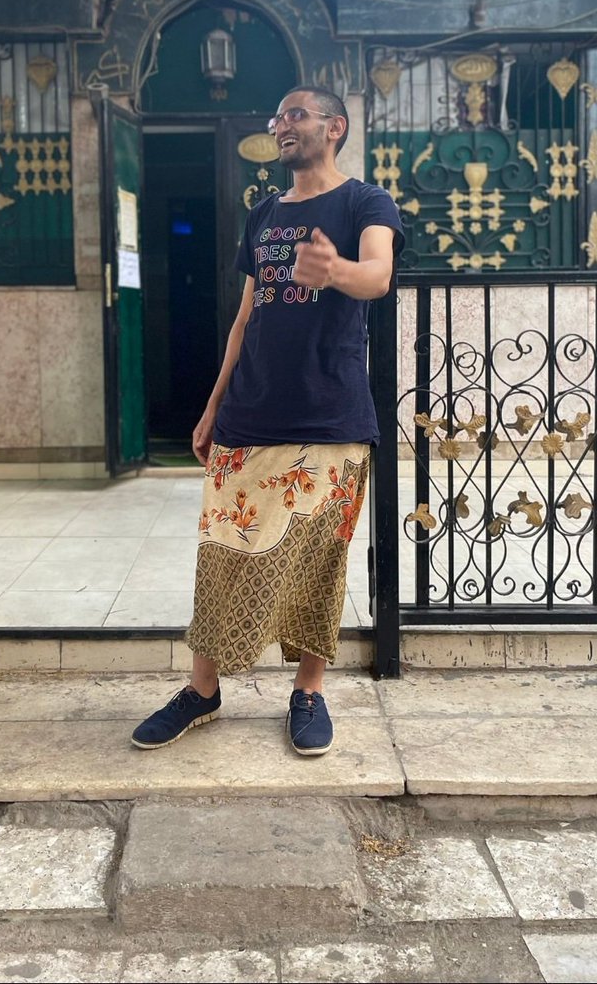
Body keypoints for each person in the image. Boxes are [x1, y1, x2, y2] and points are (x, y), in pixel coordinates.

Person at [131, 85, 404, 756]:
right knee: (221, 553)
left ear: (334, 127)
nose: (282, 125)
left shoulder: (365, 202)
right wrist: (212, 404)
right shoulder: (262, 215)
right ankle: (202, 690)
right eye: (278, 116)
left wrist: (334, 268)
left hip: (330, 414)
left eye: (296, 115)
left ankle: (308, 691)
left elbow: (377, 276)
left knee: (318, 562)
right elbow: (245, 317)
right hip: (249, 411)